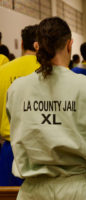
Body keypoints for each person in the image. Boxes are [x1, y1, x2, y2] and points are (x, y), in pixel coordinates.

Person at [6, 17, 86, 200]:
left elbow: (19, 128)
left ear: (37, 47)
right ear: (69, 44)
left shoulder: (17, 89)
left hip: (34, 191)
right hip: (82, 190)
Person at [0, 24, 39, 186]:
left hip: (10, 150)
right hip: (42, 151)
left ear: (22, 44)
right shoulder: (50, 70)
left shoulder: (3, 71)